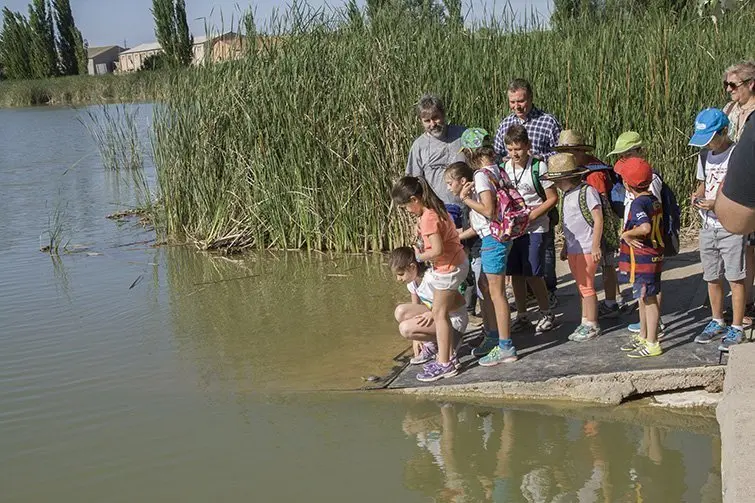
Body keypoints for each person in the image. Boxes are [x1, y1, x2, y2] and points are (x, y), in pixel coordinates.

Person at [447, 130, 517, 366]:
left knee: (497, 294)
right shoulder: (499, 169)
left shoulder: (480, 175)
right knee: (485, 286)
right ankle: (494, 336)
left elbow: (488, 211)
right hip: (500, 237)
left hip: (493, 239)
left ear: (470, 152)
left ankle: (506, 346)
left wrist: (465, 199)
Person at [391, 176, 469, 382]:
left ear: (415, 199)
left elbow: (437, 250)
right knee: (430, 312)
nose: (407, 211)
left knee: (440, 313)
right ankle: (439, 350)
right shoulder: (434, 209)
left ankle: (446, 363)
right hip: (453, 263)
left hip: (448, 267)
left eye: (406, 206)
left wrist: (418, 256)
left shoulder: (428, 217)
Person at [493, 78, 561, 308]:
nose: (517, 106)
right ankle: (526, 300)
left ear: (530, 98)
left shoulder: (548, 121)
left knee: (546, 246)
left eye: (520, 100)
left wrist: (541, 163)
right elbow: (497, 155)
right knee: (518, 256)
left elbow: (559, 155)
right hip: (515, 196)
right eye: (512, 102)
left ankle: (549, 291)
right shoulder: (505, 125)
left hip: (540, 188)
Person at [688, 108, 747, 351]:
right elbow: (702, 185)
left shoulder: (738, 155)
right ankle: (716, 320)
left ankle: (737, 327)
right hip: (708, 224)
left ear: (724, 132)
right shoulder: (704, 156)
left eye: (712, 138)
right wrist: (697, 197)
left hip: (731, 225)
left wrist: (719, 204)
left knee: (735, 277)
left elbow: (742, 190)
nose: (709, 144)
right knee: (711, 276)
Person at [554, 130, 622, 319]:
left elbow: (600, 206)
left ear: (581, 150)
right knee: (602, 268)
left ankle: (611, 302)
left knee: (607, 265)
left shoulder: (594, 174)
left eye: (572, 151)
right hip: (588, 230)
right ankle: (611, 300)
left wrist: (596, 241)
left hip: (599, 229)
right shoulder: (580, 169)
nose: (567, 155)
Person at [499, 125, 558, 334]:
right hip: (514, 230)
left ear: (528, 146)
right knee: (515, 272)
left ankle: (546, 312)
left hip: (536, 226)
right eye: (511, 149)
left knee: (533, 272)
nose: (515, 154)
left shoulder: (539, 167)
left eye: (519, 149)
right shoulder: (504, 168)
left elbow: (552, 198)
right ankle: (522, 315)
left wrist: (532, 215)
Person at [608, 131, 666, 336]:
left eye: (625, 154)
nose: (621, 159)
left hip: (646, 250)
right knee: (643, 293)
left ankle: (652, 332)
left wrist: (627, 234)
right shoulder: (639, 185)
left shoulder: (648, 187)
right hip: (642, 248)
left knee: (649, 292)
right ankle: (645, 332)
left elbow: (647, 222)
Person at [542, 153, 604, 341]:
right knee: (581, 286)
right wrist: (565, 247)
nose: (556, 184)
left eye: (558, 180)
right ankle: (585, 320)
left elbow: (598, 219)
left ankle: (592, 323)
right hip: (574, 248)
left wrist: (595, 245)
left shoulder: (588, 192)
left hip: (587, 247)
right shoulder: (567, 195)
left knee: (587, 286)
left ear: (567, 177)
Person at [615, 158, 664, 358]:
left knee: (649, 298)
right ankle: (644, 335)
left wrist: (627, 234)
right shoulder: (653, 199)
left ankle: (652, 342)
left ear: (627, 184)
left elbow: (645, 228)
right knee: (642, 298)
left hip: (645, 259)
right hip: (651, 257)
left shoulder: (637, 203)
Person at [390, 247, 469, 365]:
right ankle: (432, 344)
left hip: (454, 320)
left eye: (401, 274)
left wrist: (433, 313)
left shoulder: (432, 279)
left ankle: (452, 341)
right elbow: (414, 307)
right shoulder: (412, 283)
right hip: (440, 315)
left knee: (405, 328)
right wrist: (416, 339)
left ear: (412, 267)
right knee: (400, 311)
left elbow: (459, 302)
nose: (398, 279)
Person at [722, 61, 755, 321]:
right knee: (740, 249)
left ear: (750, 84)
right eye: (726, 85)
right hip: (730, 180)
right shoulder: (730, 110)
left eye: (733, 85)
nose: (729, 90)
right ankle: (741, 302)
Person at [405, 93, 467, 226]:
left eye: (435, 118)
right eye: (427, 121)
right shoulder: (418, 146)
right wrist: (420, 216)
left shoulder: (464, 135)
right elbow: (414, 184)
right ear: (421, 121)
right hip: (439, 212)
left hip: (470, 207)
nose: (432, 124)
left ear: (443, 114)